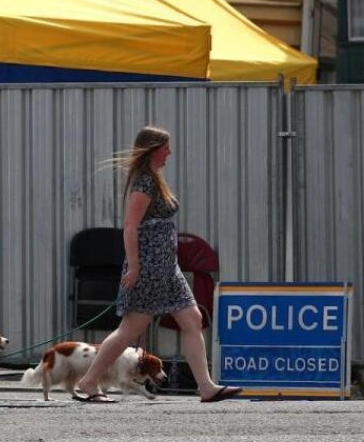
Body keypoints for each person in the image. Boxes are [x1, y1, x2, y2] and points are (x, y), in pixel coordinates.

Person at [72, 126, 242, 404]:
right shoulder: (144, 183)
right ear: (153, 149)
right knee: (130, 329)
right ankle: (89, 381)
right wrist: (135, 267)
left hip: (167, 268)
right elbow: (130, 226)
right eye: (166, 148)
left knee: (193, 320)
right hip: (150, 267)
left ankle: (206, 386)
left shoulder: (154, 179)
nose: (169, 153)